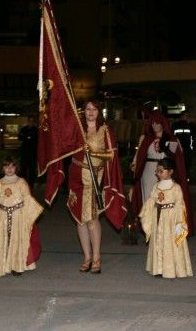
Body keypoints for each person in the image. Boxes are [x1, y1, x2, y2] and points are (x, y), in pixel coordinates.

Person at [67, 99, 127, 274]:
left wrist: (93, 152)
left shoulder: (105, 130)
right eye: (87, 109)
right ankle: (86, 257)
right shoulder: (77, 129)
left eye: (94, 109)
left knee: (92, 219)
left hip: (95, 178)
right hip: (76, 176)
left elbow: (111, 155)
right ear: (83, 111)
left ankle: (96, 257)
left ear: (99, 112)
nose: (90, 112)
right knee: (80, 218)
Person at [130, 110, 193, 236]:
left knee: (165, 201)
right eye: (152, 123)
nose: (154, 125)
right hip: (148, 173)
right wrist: (135, 172)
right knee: (149, 200)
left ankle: (165, 230)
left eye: (157, 123)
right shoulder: (146, 139)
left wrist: (167, 148)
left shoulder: (171, 138)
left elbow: (177, 157)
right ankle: (150, 230)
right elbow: (139, 157)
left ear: (162, 123)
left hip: (165, 173)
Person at [0, 156, 43, 277]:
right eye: (6, 166)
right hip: (2, 216)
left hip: (17, 216)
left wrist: (28, 215)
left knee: (16, 239)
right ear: (2, 168)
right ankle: (1, 265)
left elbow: (27, 199)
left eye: (12, 166)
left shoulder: (21, 182)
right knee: (1, 239)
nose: (9, 169)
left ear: (16, 168)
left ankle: (16, 265)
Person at [139, 158, 193, 279]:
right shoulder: (156, 186)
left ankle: (172, 269)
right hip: (158, 217)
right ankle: (158, 268)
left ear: (170, 171)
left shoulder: (176, 187)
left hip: (170, 219)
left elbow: (180, 204)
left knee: (170, 243)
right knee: (158, 241)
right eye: (157, 171)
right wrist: (146, 210)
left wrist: (179, 223)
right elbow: (152, 199)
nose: (157, 173)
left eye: (161, 171)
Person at [171, 110, 196, 178]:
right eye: (186, 116)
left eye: (188, 116)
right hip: (177, 149)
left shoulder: (191, 125)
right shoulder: (175, 125)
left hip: (187, 149)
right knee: (177, 164)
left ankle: (186, 178)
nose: (187, 117)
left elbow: (194, 136)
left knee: (187, 165)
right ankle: (178, 178)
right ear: (181, 116)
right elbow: (172, 136)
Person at [18, 116, 39, 190]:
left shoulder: (36, 130)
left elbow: (37, 140)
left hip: (33, 153)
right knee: (23, 169)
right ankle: (22, 184)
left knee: (32, 170)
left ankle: (31, 185)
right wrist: (27, 137)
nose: (31, 122)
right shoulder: (24, 129)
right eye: (30, 121)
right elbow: (20, 137)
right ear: (28, 121)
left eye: (32, 121)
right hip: (24, 152)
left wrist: (27, 137)